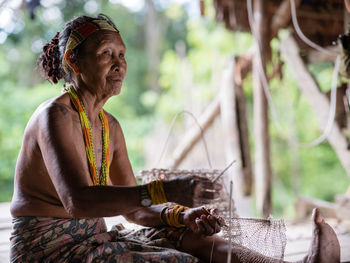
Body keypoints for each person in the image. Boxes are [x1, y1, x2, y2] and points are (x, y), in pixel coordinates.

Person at [10, 14, 340, 263]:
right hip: (49, 251)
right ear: (73, 61)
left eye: (122, 55)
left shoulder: (109, 126)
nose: (119, 64)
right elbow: (78, 202)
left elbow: (136, 211)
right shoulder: (55, 116)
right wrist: (164, 190)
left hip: (94, 241)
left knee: (187, 236)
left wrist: (182, 215)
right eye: (106, 53)